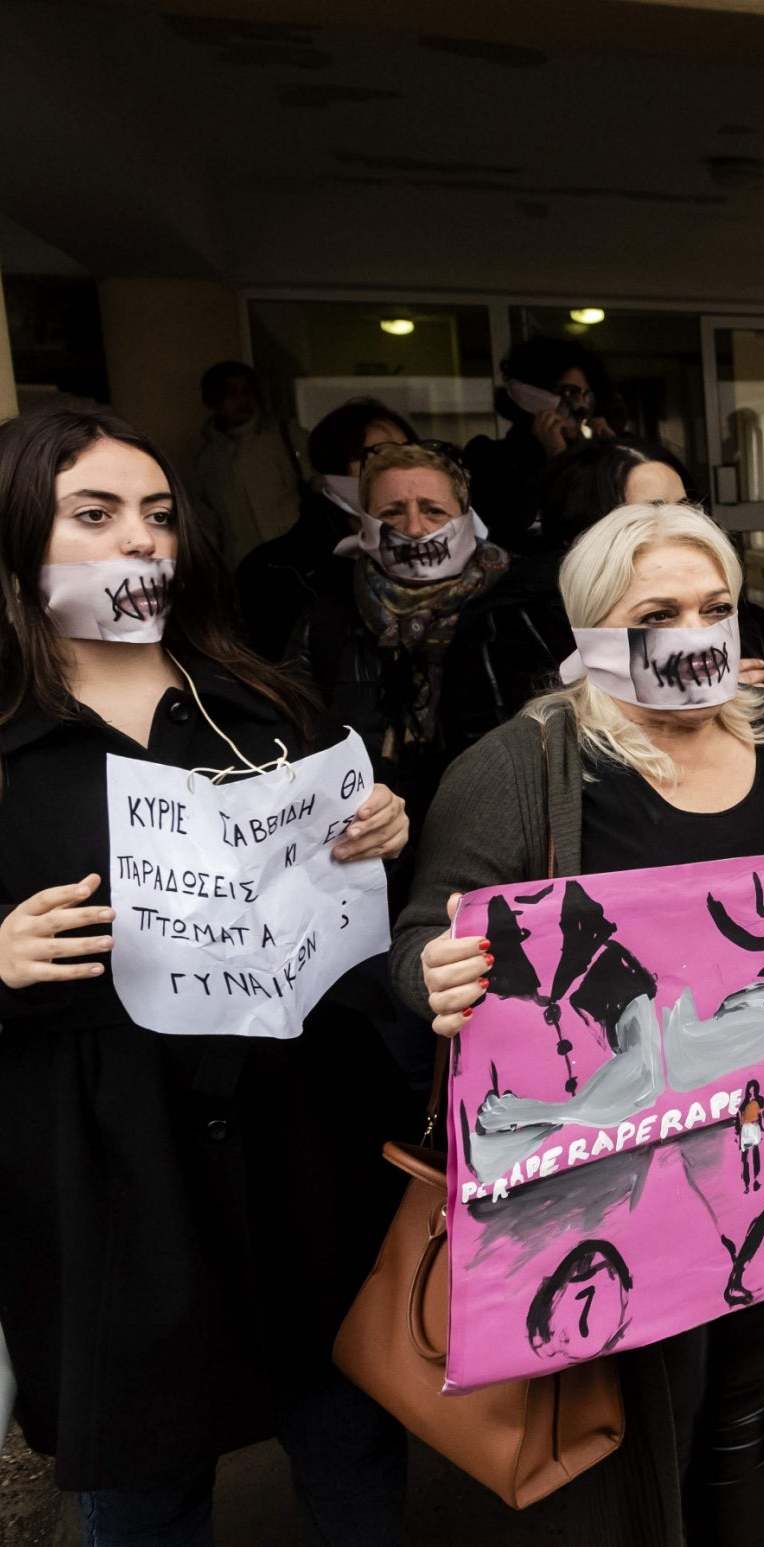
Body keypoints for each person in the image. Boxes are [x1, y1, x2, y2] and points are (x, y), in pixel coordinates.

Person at [397, 502, 764, 1546]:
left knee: (747, 1406)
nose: (696, 631)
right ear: (589, 631)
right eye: (659, 610)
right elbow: (420, 934)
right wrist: (432, 974)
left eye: (716, 605)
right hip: (619, 1171)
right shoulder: (518, 767)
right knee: (641, 1434)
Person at [0, 405, 412, 1546]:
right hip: (109, 1169)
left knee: (350, 1428)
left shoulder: (261, 704)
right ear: (20, 535)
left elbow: (349, 898)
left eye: (159, 515)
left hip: (299, 1140)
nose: (141, 541)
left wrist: (381, 827)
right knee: (143, 1474)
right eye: (95, 514)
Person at [440, 437, 764, 775]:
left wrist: (746, 704)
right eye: (650, 512)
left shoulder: (726, 605)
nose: (679, 525)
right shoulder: (510, 623)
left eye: (686, 508)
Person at [287, 441, 509, 830]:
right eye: (392, 513)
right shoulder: (325, 621)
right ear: (364, 525)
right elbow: (291, 742)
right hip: (366, 838)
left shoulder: (516, 609)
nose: (414, 528)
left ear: (466, 518)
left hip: (495, 830)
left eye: (433, 511)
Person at [238, 398, 415, 660]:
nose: (402, 471)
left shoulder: (443, 549)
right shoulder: (275, 570)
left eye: (411, 454)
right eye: (380, 457)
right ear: (333, 476)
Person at [464, 336, 614, 543]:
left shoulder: (592, 454)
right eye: (569, 392)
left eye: (586, 395)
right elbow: (510, 523)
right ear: (531, 395)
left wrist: (613, 453)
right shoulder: (490, 455)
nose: (580, 406)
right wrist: (556, 459)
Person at [190, 361, 304, 563]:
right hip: (245, 566)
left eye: (246, 392)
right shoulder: (207, 460)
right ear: (214, 401)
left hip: (298, 557)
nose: (241, 400)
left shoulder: (286, 437)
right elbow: (208, 523)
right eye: (231, 393)